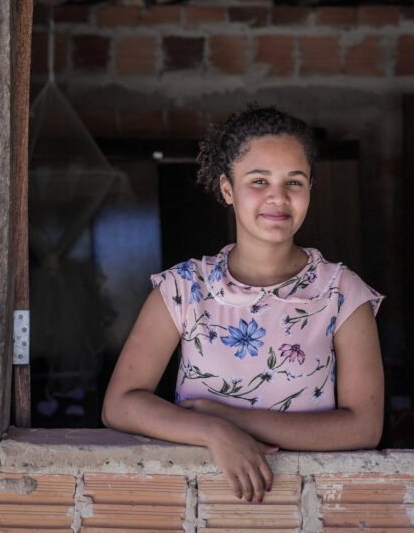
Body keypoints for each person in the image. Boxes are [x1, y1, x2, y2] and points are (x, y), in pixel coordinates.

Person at [101, 105, 384, 503]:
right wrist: (214, 433)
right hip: (196, 507)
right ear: (227, 189)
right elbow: (120, 404)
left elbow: (363, 428)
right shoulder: (184, 289)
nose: (278, 197)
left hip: (310, 508)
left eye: (295, 182)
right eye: (259, 180)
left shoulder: (342, 294)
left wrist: (233, 420)